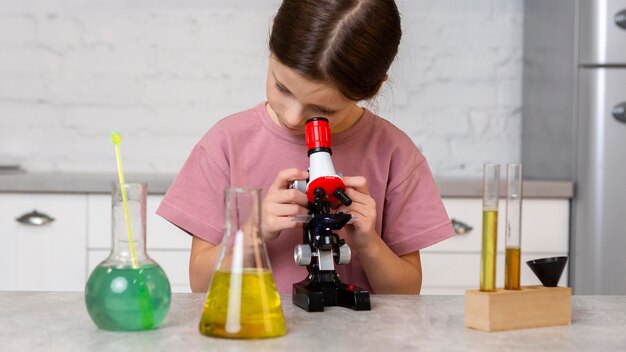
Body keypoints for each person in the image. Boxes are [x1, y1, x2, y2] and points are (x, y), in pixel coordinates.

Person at [157, 0, 454, 295]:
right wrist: (253, 233)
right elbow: (200, 285)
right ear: (272, 36)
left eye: (322, 109)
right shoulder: (227, 143)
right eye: (282, 88)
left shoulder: (395, 154)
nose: (293, 117)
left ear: (373, 89)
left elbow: (407, 296)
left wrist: (369, 244)